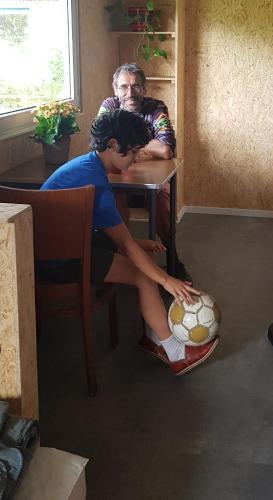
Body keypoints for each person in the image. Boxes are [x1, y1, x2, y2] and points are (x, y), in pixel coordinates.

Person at [39, 110, 219, 375]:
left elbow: (111, 234)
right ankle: (175, 352)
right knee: (143, 276)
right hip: (59, 261)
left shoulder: (86, 166)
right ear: (112, 144)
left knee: (134, 257)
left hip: (52, 250)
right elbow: (125, 246)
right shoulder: (96, 183)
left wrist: (130, 242)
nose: (135, 159)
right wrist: (167, 280)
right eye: (132, 151)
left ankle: (153, 336)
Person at [98, 62, 190, 281]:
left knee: (161, 200)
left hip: (151, 180)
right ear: (115, 89)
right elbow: (100, 144)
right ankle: (124, 257)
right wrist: (147, 146)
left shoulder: (156, 107)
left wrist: (125, 144)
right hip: (120, 178)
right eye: (123, 87)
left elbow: (166, 149)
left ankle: (171, 256)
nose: (130, 93)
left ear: (144, 88)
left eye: (136, 86)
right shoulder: (109, 106)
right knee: (114, 199)